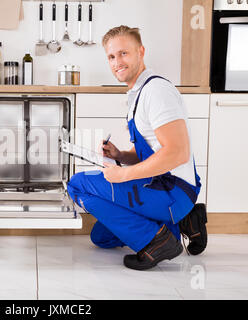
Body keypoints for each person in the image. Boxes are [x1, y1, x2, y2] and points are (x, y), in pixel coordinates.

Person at [67, 25, 207, 271]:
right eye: (111, 56)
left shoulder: (156, 92)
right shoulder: (137, 93)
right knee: (102, 237)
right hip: (159, 185)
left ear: (141, 52)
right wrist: (121, 156)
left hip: (172, 190)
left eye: (123, 53)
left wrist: (123, 174)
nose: (117, 62)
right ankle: (185, 222)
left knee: (78, 184)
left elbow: (177, 152)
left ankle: (158, 242)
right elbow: (153, 152)